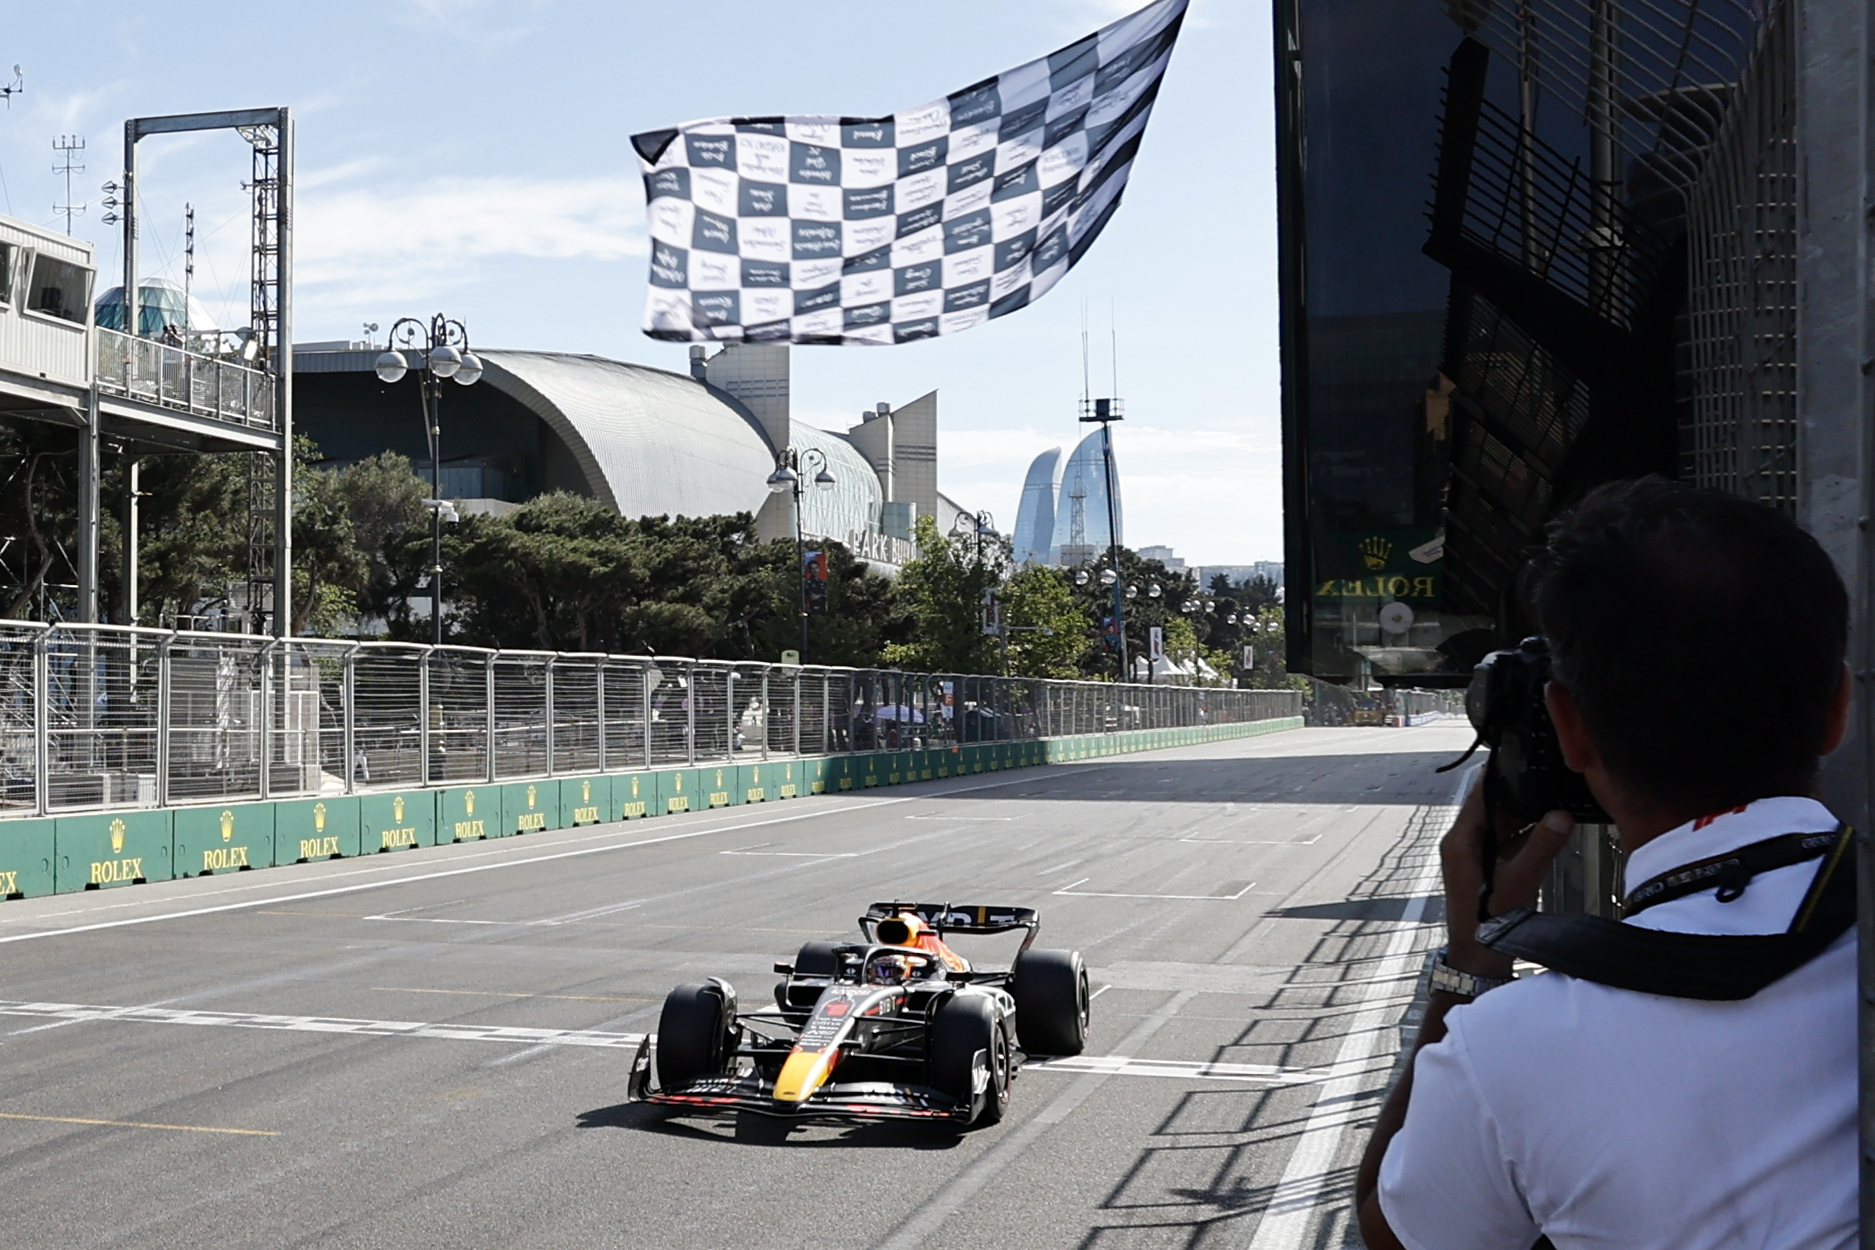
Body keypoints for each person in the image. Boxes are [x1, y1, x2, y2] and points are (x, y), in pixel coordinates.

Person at [1357, 478, 1856, 1250]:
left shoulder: (1509, 1048)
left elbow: (1395, 1230)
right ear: (1836, 708)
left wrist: (1470, 961)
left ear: (1569, 728)